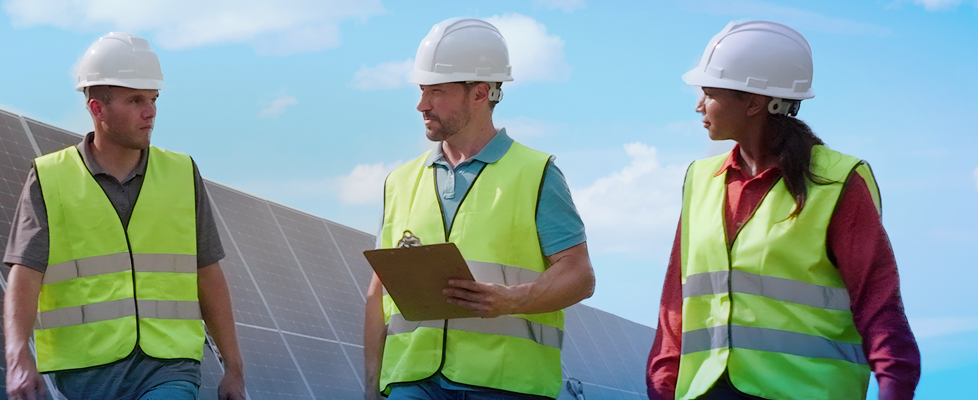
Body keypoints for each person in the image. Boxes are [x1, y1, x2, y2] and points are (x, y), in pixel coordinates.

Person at [643, 21, 921, 400]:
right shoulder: (700, 180)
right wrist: (662, 387)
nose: (698, 105)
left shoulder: (838, 182)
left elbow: (879, 303)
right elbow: (675, 302)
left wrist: (893, 389)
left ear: (755, 102)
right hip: (706, 391)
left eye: (709, 93)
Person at [0, 32, 247, 400]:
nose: (151, 112)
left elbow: (207, 272)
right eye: (135, 100)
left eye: (153, 99)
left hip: (170, 365)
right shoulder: (50, 177)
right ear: (97, 109)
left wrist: (234, 366)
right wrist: (18, 356)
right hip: (85, 371)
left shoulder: (181, 173)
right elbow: (26, 272)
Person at [362, 17, 598, 400]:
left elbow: (579, 275)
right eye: (422, 90)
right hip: (410, 383)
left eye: (436, 91)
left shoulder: (537, 173)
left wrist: (513, 299)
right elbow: (378, 292)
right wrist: (372, 388)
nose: (422, 104)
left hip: (505, 385)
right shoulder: (400, 182)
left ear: (480, 93)